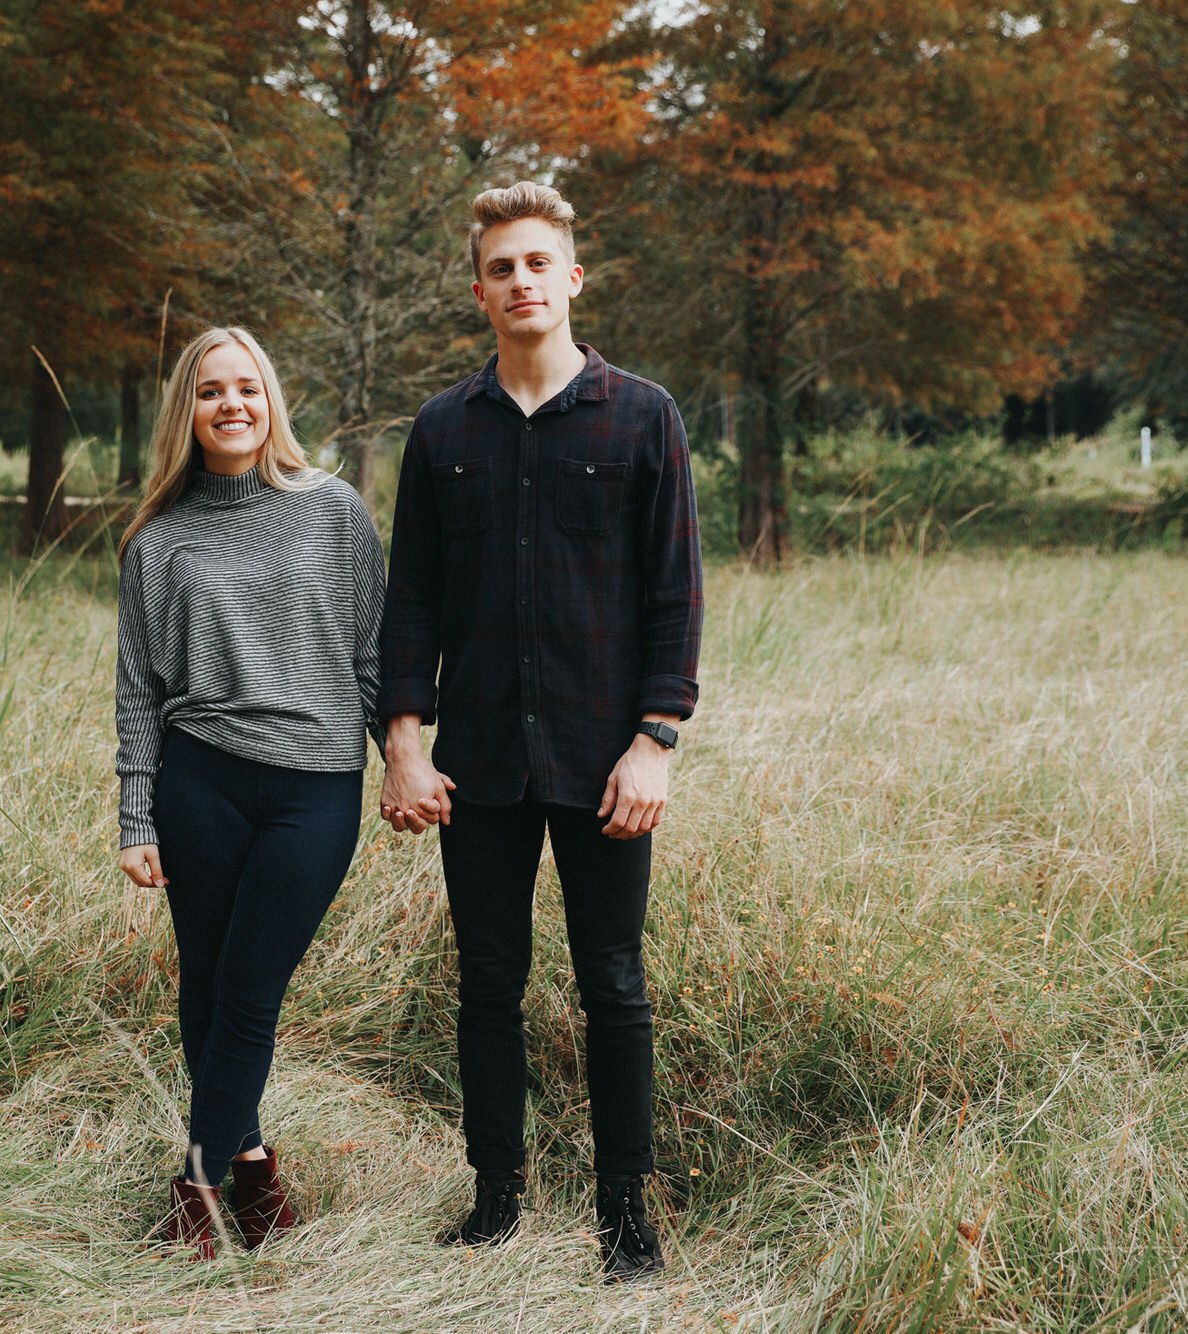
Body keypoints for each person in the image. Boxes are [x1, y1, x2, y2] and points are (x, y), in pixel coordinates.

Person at [377, 182, 703, 1282]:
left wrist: (654, 740)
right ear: (479, 292)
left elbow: (675, 596)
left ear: (572, 278)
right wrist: (404, 742)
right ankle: (495, 1200)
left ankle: (625, 1214)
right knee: (487, 982)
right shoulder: (443, 429)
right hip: (478, 765)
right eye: (500, 268)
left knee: (613, 982)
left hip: (606, 760)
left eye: (536, 263)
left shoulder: (641, 415)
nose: (520, 281)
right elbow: (411, 599)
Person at [115, 325, 384, 1260]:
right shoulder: (157, 541)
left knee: (251, 987)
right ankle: (256, 1172)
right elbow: (138, 688)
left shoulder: (334, 511)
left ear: (271, 401)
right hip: (201, 782)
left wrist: (403, 757)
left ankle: (196, 1182)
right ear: (185, 412)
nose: (231, 404)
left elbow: (372, 651)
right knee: (208, 983)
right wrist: (135, 814)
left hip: (315, 784)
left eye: (247, 388)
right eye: (209, 391)